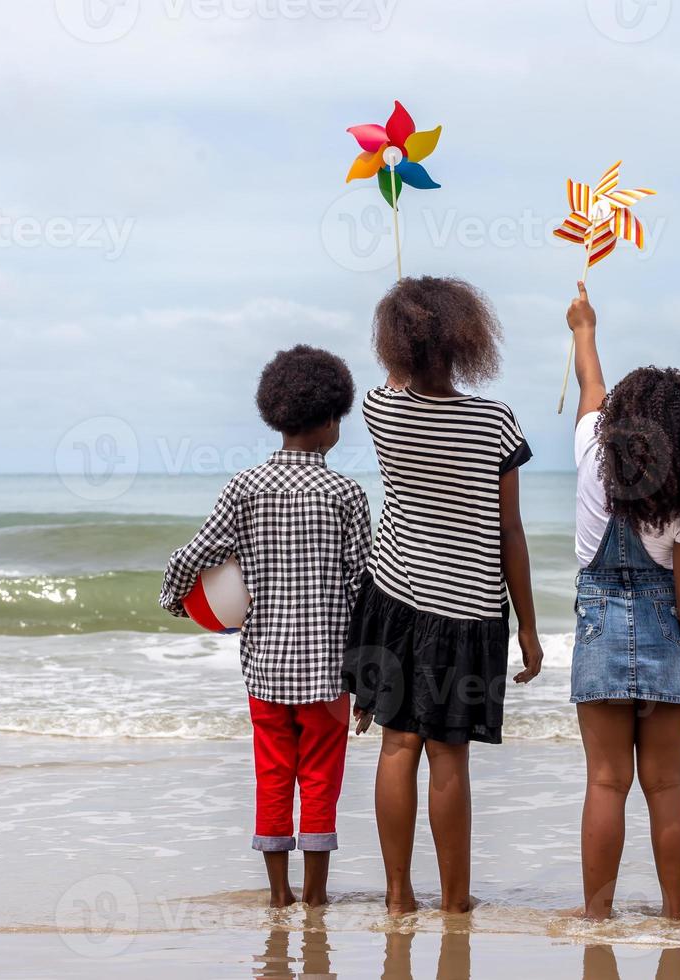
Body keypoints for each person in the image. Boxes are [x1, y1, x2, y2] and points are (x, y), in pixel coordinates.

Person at [343, 275, 544, 915]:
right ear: (466, 339)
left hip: (394, 596)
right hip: (469, 611)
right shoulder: (495, 421)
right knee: (449, 755)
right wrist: (529, 628)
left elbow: (397, 387)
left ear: (395, 342)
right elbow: (510, 531)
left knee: (397, 745)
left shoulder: (381, 409)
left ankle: (399, 896)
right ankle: (456, 900)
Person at [160, 345, 372, 908]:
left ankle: (279, 897)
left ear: (276, 414)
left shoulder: (245, 486)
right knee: (322, 780)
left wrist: (176, 601)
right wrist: (368, 675)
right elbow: (361, 586)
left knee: (273, 777)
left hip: (266, 671)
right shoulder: (346, 493)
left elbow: (196, 554)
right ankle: (317, 896)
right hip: (329, 676)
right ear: (330, 420)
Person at [565, 282, 680, 920]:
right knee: (666, 786)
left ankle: (598, 915)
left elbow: (590, 386)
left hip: (598, 638)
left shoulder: (591, 448)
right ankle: (674, 914)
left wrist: (583, 328)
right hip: (668, 644)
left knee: (606, 783)